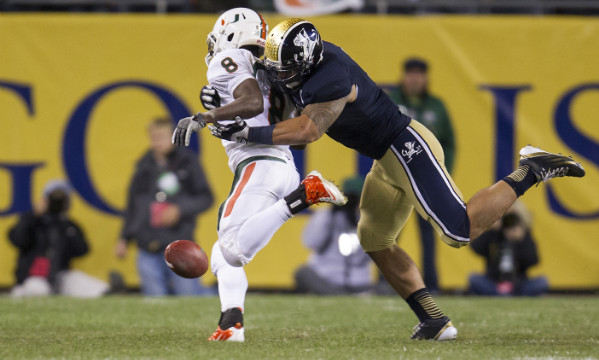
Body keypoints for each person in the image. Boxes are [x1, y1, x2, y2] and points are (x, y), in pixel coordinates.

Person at [203, 18, 585, 341]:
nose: (279, 73)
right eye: (275, 65)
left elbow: (306, 132)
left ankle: (530, 168)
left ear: (306, 61)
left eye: (286, 68)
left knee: (458, 231)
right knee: (374, 239)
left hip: (405, 145)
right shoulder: (291, 63)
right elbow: (270, 96)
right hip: (382, 157)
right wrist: (220, 102)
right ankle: (433, 319)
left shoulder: (331, 76)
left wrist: (241, 134)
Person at [171, 8, 346, 342]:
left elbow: (250, 103)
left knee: (233, 250)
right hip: (278, 164)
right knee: (222, 254)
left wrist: (204, 116)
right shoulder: (271, 68)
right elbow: (255, 100)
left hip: (259, 164)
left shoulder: (231, 58)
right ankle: (230, 324)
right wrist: (216, 103)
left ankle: (304, 195)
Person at [116, 118, 214, 296]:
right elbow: (132, 206)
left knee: (189, 297)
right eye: (154, 137)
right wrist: (124, 238)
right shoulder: (143, 167)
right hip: (147, 243)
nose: (157, 141)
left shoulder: (187, 162)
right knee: (155, 303)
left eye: (162, 136)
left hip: (179, 242)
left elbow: (206, 198)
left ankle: (213, 296)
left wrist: (180, 209)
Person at [388, 57, 456, 292]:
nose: (415, 78)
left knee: (428, 234)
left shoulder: (437, 106)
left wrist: (443, 174)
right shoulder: (391, 101)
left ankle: (431, 283)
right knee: (389, 232)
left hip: (426, 180)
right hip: (396, 177)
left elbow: (449, 143)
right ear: (404, 76)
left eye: (419, 73)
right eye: (411, 73)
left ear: (426, 77)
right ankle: (387, 281)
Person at [8, 180, 110, 298]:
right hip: (33, 276)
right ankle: (21, 292)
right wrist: (34, 215)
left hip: (59, 276)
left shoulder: (67, 225)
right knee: (38, 288)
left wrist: (64, 222)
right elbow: (18, 239)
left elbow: (82, 250)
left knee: (92, 286)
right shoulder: (33, 222)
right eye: (53, 199)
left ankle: (111, 291)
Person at [295, 175, 373, 295]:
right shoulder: (326, 215)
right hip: (327, 279)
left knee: (394, 282)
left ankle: (348, 296)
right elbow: (310, 242)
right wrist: (330, 216)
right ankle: (346, 297)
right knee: (302, 273)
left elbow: (376, 255)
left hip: (358, 282)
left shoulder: (370, 222)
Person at [469, 201, 549, 296]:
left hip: (519, 283)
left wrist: (521, 240)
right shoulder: (494, 234)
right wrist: (491, 230)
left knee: (542, 282)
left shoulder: (522, 234)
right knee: (474, 279)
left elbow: (533, 260)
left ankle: (505, 296)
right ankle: (504, 295)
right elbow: (476, 249)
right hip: (494, 282)